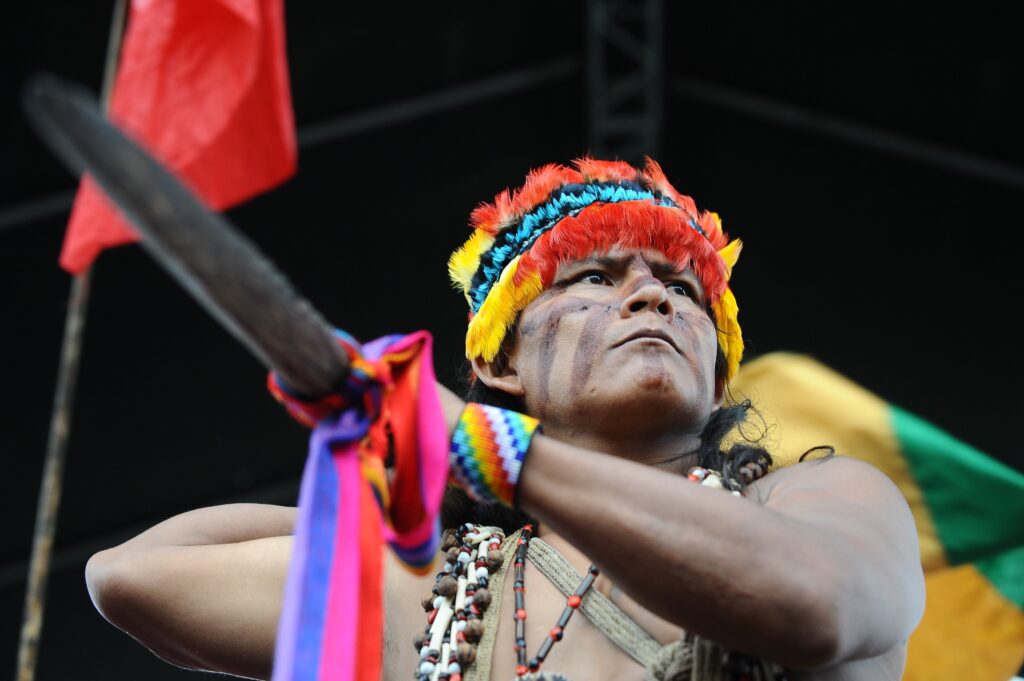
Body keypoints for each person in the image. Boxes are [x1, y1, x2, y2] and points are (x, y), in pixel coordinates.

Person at [84, 158, 925, 681]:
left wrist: (481, 446)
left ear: (715, 369)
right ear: (500, 362)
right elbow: (134, 574)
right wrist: (399, 497)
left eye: (683, 288)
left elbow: (818, 605)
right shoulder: (440, 590)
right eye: (594, 278)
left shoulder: (823, 501)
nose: (652, 295)